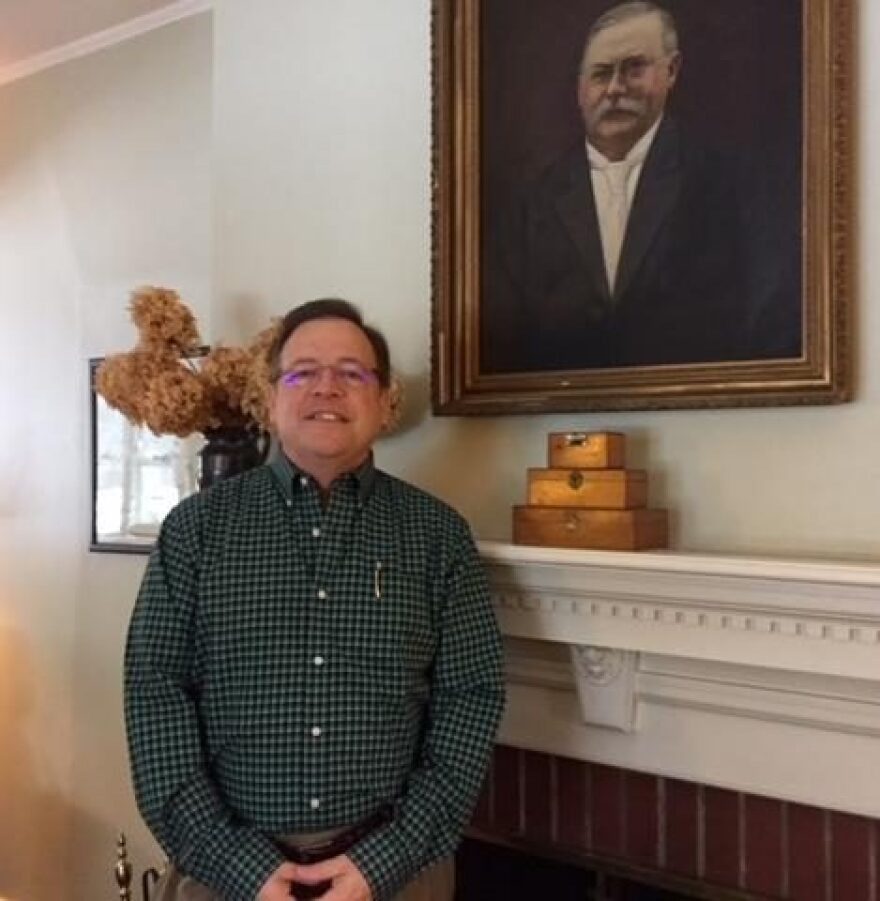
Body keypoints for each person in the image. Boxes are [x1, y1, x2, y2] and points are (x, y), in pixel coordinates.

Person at [124, 298, 506, 901]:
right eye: (303, 372)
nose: (327, 386)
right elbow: (155, 694)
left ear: (383, 402)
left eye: (352, 373)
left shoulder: (438, 535)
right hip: (226, 871)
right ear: (272, 399)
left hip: (395, 872)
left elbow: (470, 699)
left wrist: (389, 856)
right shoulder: (195, 530)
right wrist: (235, 862)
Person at [482, 0, 801, 373]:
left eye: (634, 68)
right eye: (601, 74)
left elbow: (771, 318)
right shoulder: (529, 207)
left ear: (672, 71)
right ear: (579, 88)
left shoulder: (732, 187)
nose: (615, 88)